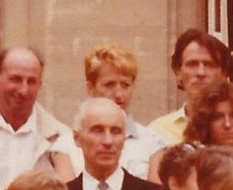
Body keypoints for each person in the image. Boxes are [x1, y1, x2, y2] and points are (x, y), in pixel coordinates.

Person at [0, 47, 75, 190]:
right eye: (16, 79)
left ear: (39, 86)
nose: (23, 90)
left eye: (31, 81)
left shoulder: (60, 139)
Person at [69, 44, 170, 180]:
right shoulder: (66, 144)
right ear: (90, 88)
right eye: (109, 84)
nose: (118, 94)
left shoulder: (153, 143)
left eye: (125, 85)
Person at [150, 29, 232, 146]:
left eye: (209, 65)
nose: (200, 73)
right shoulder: (157, 133)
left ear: (224, 74)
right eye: (192, 64)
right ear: (178, 72)